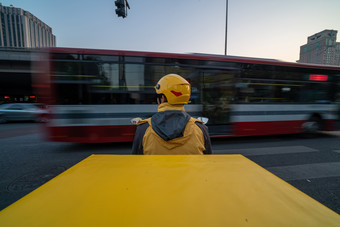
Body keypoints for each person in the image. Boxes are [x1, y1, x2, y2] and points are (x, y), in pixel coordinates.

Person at [132, 74, 212, 155]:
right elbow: (208, 161)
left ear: (162, 99)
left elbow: (135, 162)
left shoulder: (143, 129)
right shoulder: (201, 129)